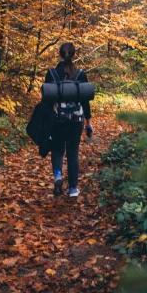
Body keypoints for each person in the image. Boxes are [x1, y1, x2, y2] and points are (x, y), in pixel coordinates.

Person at [45, 42, 93, 198]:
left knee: (57, 149)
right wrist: (88, 123)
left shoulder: (51, 74)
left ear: (59, 55)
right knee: (73, 153)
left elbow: (46, 101)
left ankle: (58, 175)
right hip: (76, 120)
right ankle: (73, 189)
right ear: (74, 55)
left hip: (58, 119)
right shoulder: (80, 74)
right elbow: (85, 101)